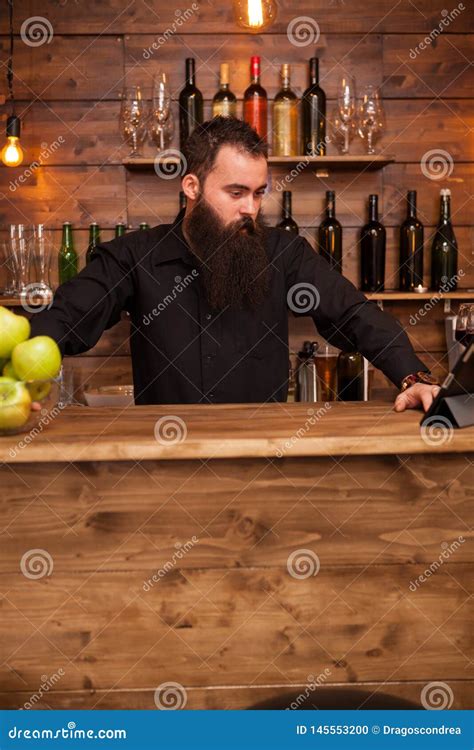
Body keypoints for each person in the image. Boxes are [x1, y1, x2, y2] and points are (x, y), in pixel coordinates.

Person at [30, 116, 440, 410]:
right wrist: (15, 378)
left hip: (264, 459)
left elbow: (353, 313)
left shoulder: (284, 253)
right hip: (162, 463)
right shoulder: (134, 256)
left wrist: (413, 377)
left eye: (259, 193)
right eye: (236, 192)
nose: (251, 208)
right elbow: (66, 317)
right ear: (191, 186)